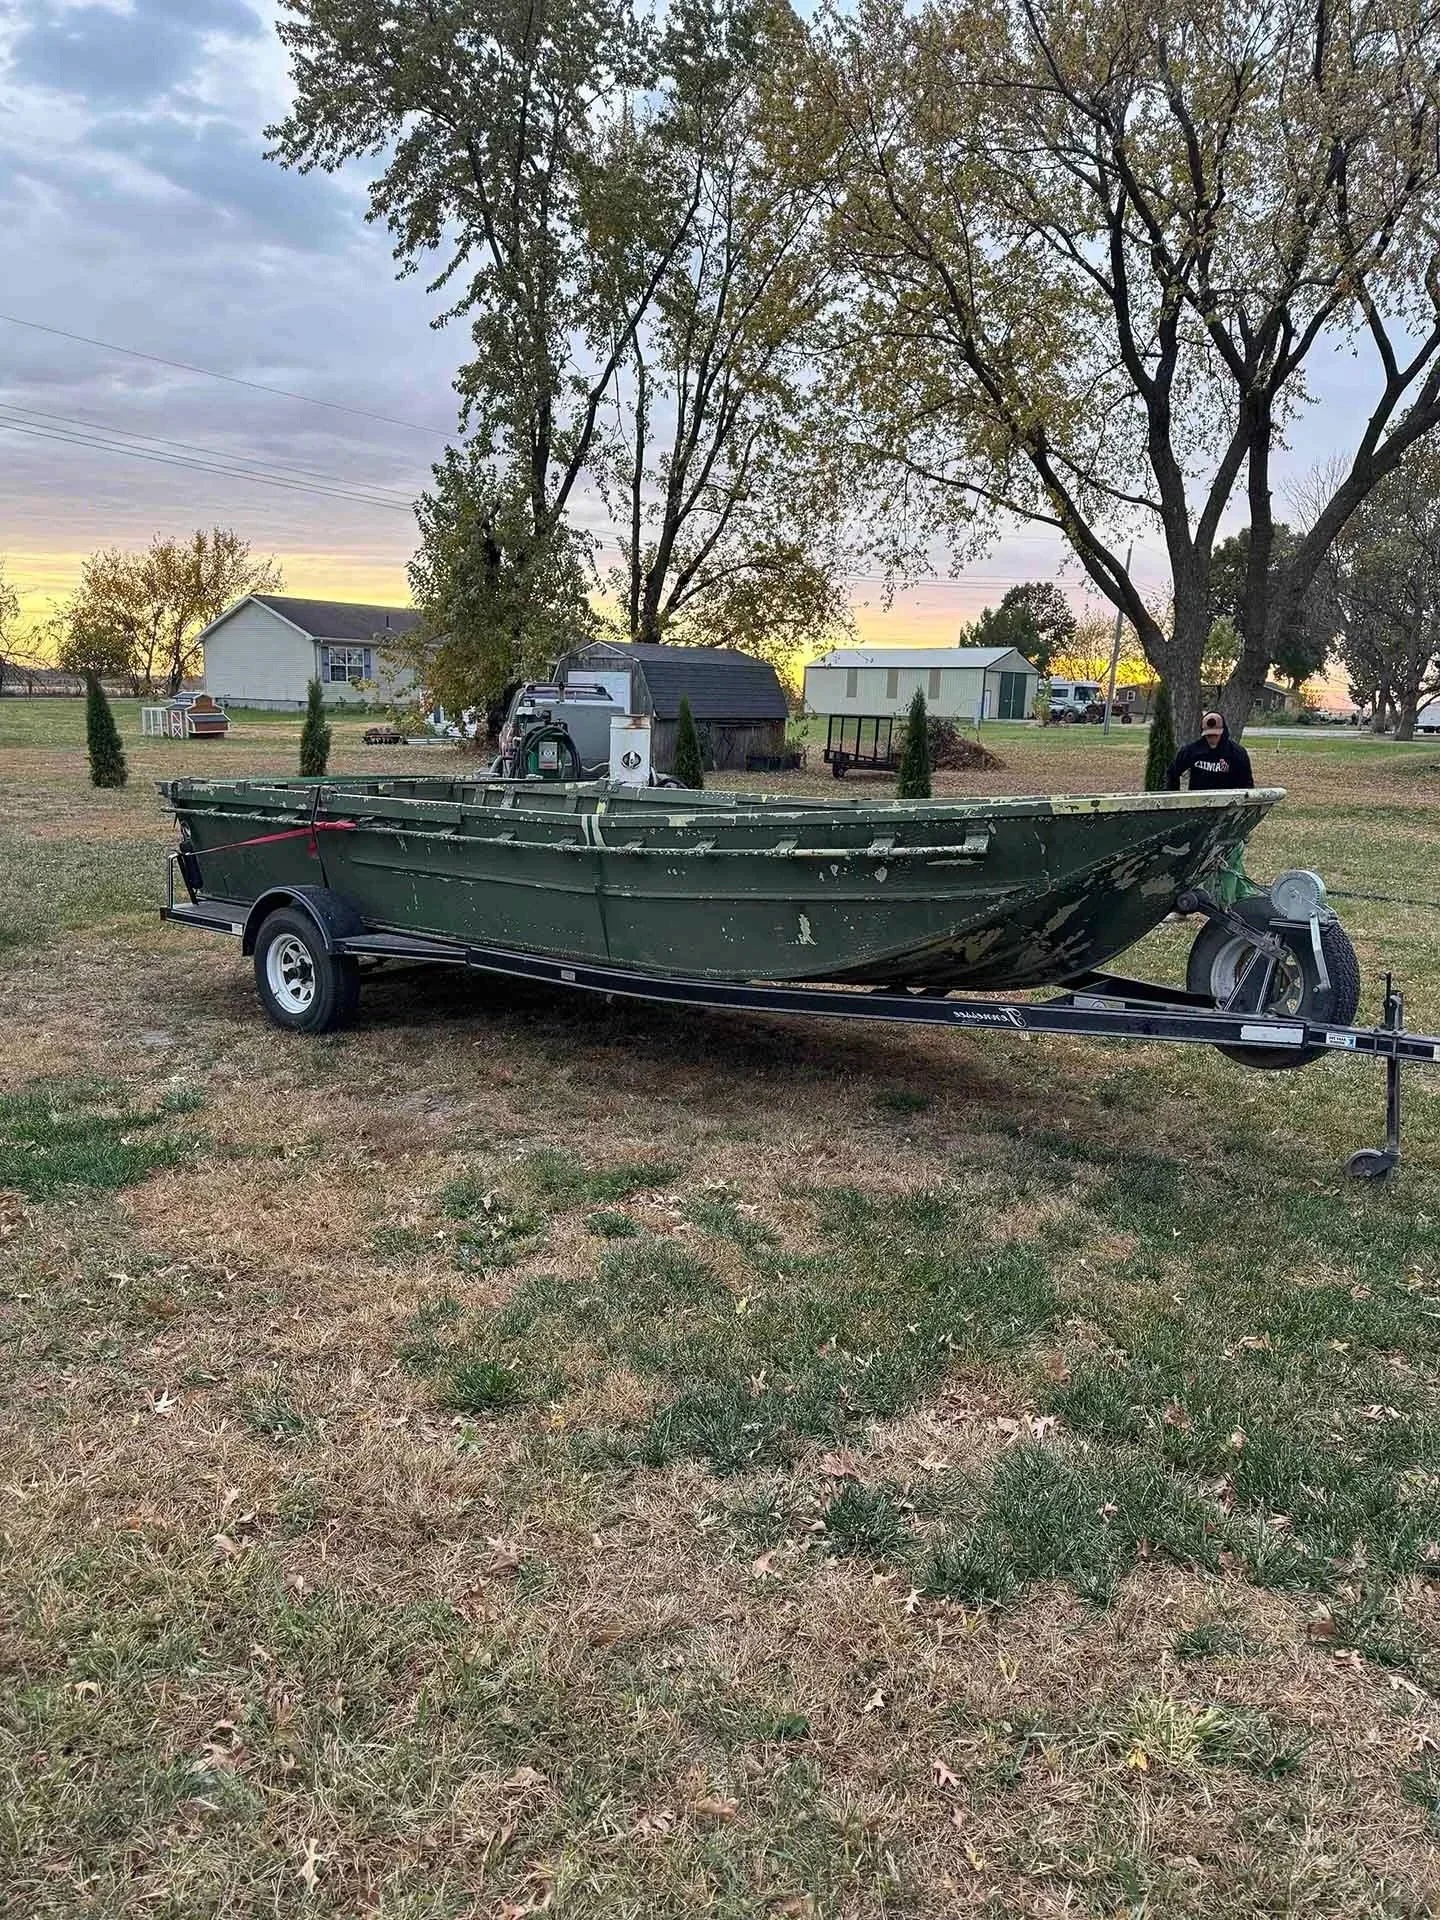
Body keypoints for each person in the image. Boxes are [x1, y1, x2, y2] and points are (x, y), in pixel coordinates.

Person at [1165, 710, 1255, 791]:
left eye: (1216, 735)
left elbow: (1247, 784)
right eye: (1209, 735)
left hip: (1228, 804)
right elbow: (1172, 772)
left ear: (1223, 732)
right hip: (1198, 803)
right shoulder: (1191, 751)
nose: (1212, 739)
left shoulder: (1237, 753)